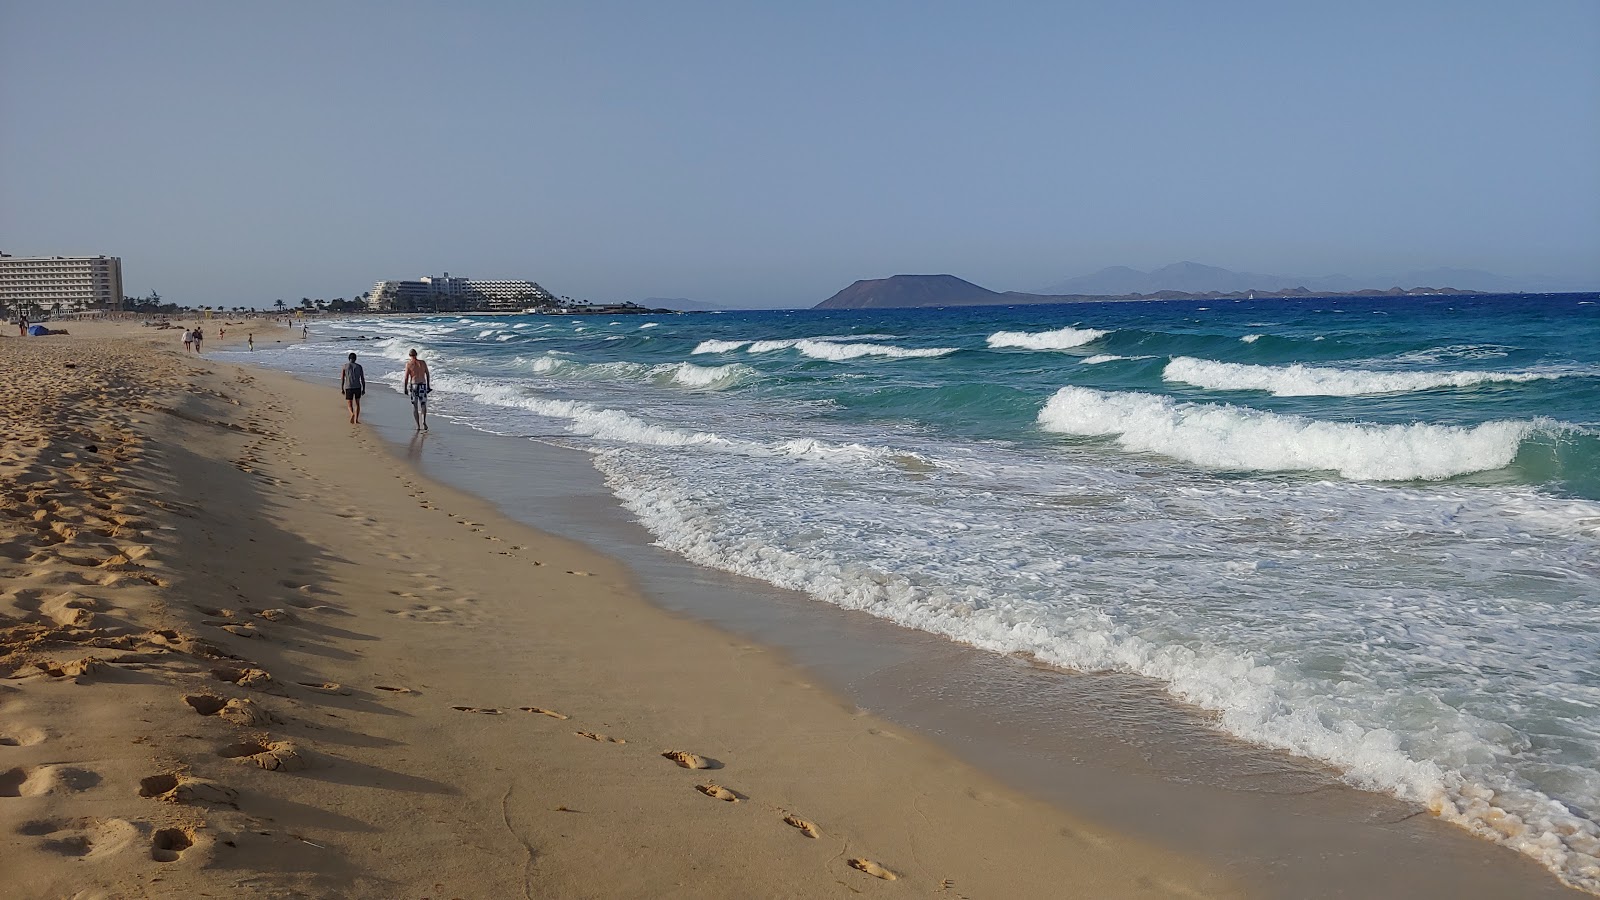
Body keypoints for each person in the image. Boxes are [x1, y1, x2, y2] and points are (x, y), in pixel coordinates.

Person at [402, 348, 432, 431]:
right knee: (423, 404)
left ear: (409, 355)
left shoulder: (409, 364)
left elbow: (406, 378)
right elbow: (427, 374)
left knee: (415, 406)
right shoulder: (422, 363)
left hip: (414, 385)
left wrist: (405, 388)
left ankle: (418, 425)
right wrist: (428, 385)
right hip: (422, 384)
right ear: (416, 354)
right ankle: (424, 421)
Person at [340, 352, 366, 424]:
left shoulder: (345, 366)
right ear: (355, 359)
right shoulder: (359, 366)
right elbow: (362, 379)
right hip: (357, 386)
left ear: (349, 358)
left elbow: (342, 378)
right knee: (357, 403)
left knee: (349, 404)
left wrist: (342, 388)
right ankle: (356, 420)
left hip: (348, 387)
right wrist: (364, 388)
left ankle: (352, 414)